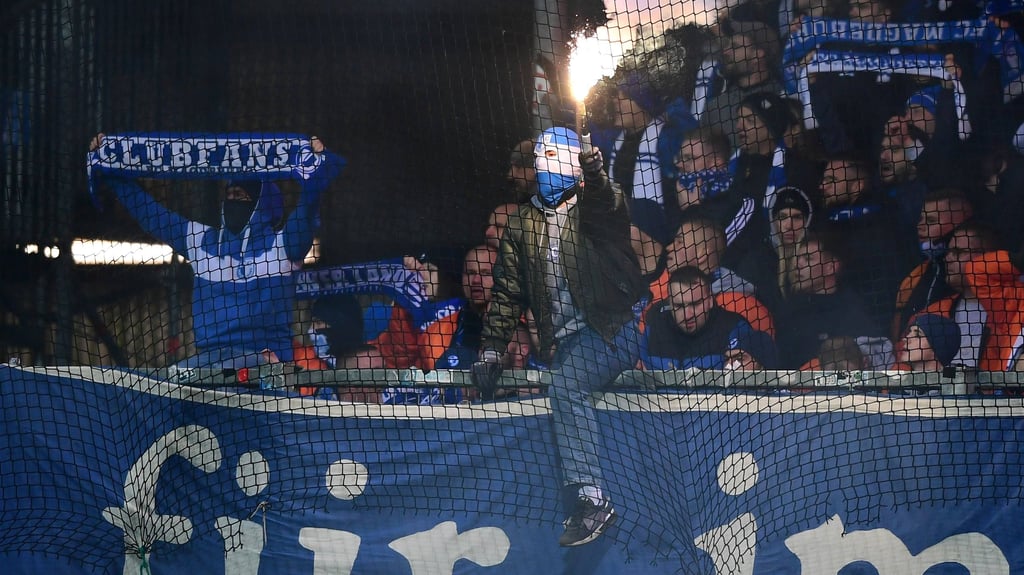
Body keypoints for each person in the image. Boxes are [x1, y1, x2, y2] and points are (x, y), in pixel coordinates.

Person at [471, 126, 649, 547]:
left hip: (611, 329)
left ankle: (593, 501)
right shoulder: (521, 222)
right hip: (565, 342)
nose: (544, 163)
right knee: (565, 376)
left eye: (555, 155)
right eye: (541, 156)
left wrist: (597, 175)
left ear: (573, 162)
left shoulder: (592, 206)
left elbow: (609, 203)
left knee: (566, 384)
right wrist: (493, 348)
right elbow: (508, 291)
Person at [88, 133, 344, 370]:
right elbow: (150, 213)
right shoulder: (200, 240)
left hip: (266, 367)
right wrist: (109, 169)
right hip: (209, 367)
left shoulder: (282, 245)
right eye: (229, 194)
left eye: (241, 196)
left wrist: (314, 171)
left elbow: (306, 211)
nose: (232, 200)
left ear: (263, 205)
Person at [774, 232, 891, 369]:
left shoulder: (852, 309)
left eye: (808, 259)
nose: (797, 265)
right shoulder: (788, 310)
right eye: (798, 258)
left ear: (831, 267)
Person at [892, 188, 975, 341]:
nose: (920, 226)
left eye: (931, 221)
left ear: (959, 223)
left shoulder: (973, 276)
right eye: (921, 219)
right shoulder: (916, 275)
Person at [640, 266, 758, 370]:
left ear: (710, 301)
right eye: (679, 306)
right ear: (670, 304)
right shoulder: (654, 328)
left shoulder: (734, 327)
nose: (687, 315)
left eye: (695, 304)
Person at [897, 314, 962, 372]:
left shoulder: (957, 382)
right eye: (909, 332)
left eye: (918, 335)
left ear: (938, 346)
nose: (905, 339)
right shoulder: (897, 381)